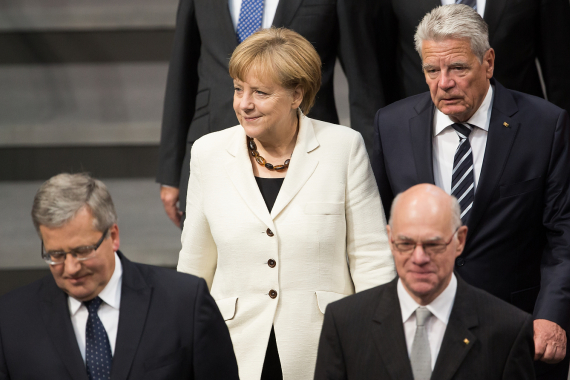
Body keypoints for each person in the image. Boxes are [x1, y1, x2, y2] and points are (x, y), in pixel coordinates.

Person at [177, 28, 395, 380]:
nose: (244, 103)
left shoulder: (343, 147)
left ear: (297, 94)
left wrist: (376, 340)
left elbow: (371, 258)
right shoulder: (208, 153)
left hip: (324, 346)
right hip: (233, 348)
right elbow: (194, 265)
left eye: (260, 93)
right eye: (238, 89)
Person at [372, 5, 570, 379]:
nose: (444, 82)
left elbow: (564, 234)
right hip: (421, 330)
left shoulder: (545, 125)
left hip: (519, 332)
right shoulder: (392, 125)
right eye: (432, 70)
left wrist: (552, 315)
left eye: (458, 68)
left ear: (488, 62)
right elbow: (377, 230)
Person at [157, 0, 387, 228]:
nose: (246, 104)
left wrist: (371, 178)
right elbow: (182, 69)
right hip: (213, 147)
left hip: (307, 154)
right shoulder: (205, 153)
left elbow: (363, 84)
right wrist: (171, 171)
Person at [0, 173, 239, 380]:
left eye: (82, 251)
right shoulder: (11, 320)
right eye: (56, 254)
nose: (71, 268)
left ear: (113, 236)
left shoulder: (184, 303)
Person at [314, 184, 535, 380]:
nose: (419, 258)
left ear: (460, 241)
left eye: (433, 244)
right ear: (390, 240)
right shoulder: (345, 323)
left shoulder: (507, 331)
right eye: (406, 243)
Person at [372, 0, 570, 113]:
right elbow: (376, 68)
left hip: (523, 127)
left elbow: (561, 70)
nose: (445, 82)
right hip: (422, 131)